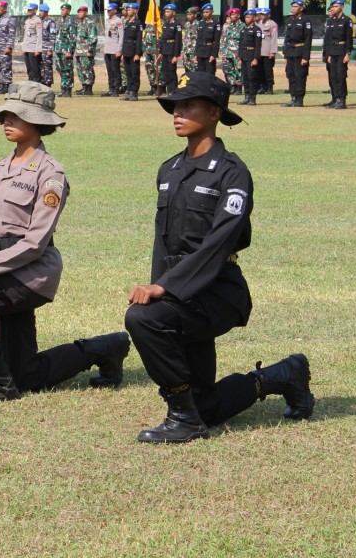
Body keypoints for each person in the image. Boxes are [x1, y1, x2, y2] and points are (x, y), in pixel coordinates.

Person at [124, 72, 315, 443]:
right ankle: (281, 376)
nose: (177, 113)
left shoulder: (231, 172)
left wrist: (163, 289)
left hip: (217, 292)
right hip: (181, 295)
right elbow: (163, 243)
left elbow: (220, 242)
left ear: (214, 113)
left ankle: (183, 419)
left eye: (189, 105)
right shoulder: (169, 169)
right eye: (175, 106)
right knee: (207, 408)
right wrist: (160, 284)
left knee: (142, 319)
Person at [0, 82, 130, 404]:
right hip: (3, 272)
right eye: (6, 115)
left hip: (30, 274)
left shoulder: (51, 174)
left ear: (39, 122)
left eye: (17, 115)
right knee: (25, 376)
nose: (7, 121)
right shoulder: (2, 166)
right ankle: (105, 348)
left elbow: (35, 242)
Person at [321, 0, 353, 109]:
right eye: (333, 7)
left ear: (342, 7)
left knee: (341, 75)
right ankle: (335, 98)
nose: (334, 8)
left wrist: (348, 53)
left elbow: (349, 39)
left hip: (342, 51)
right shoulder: (331, 21)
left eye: (336, 6)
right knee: (333, 76)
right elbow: (328, 39)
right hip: (332, 51)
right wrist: (328, 54)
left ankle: (341, 100)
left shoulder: (347, 20)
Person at [280, 0, 313, 108]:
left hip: (300, 51)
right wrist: (285, 53)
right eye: (292, 6)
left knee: (300, 75)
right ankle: (293, 97)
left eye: (295, 7)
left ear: (301, 8)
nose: (293, 8)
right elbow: (287, 38)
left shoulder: (305, 21)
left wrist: (306, 57)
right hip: (290, 52)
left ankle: (299, 99)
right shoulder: (290, 20)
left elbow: (308, 40)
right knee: (290, 74)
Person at [0, 1, 17, 94]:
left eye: (0, 8)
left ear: (5, 8)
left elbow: (11, 35)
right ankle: (1, 85)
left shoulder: (10, 19)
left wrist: (9, 46)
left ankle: (7, 86)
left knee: (6, 67)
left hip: (4, 47)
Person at [237, 9, 261, 105]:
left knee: (252, 78)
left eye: (249, 17)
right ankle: (246, 97)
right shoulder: (243, 30)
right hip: (244, 56)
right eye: (246, 17)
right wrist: (239, 57)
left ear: (254, 18)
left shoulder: (256, 30)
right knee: (245, 78)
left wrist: (255, 58)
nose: (246, 19)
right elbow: (240, 44)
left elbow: (258, 46)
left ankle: (252, 98)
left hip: (251, 55)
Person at [55, 3, 79, 98]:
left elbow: (73, 38)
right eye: (61, 10)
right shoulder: (60, 20)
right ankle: (63, 88)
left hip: (66, 50)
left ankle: (68, 89)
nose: (62, 11)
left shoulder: (71, 21)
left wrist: (69, 50)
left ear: (68, 11)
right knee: (60, 68)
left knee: (67, 69)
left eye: (63, 10)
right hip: (59, 49)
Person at [158, 3, 182, 95]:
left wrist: (176, 55)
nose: (166, 13)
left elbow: (178, 41)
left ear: (173, 13)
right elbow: (163, 39)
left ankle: (174, 90)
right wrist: (161, 52)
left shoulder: (177, 25)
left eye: (168, 11)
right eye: (165, 12)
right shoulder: (165, 24)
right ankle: (169, 90)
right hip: (165, 51)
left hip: (172, 51)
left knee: (172, 72)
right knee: (165, 72)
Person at [99, 3, 122, 97]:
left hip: (115, 49)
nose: (108, 12)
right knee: (109, 71)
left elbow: (121, 36)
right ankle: (111, 89)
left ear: (115, 11)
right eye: (107, 10)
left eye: (110, 10)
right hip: (108, 49)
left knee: (115, 70)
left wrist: (119, 49)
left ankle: (116, 89)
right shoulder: (107, 20)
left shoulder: (118, 21)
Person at [120, 3, 142, 101]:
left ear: (135, 11)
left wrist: (137, 53)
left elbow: (139, 40)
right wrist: (123, 53)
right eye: (127, 9)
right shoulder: (127, 22)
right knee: (128, 73)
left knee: (134, 73)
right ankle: (129, 91)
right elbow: (124, 39)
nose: (128, 11)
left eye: (130, 9)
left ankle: (134, 92)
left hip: (133, 51)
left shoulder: (138, 23)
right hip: (126, 51)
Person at [221, 8, 244, 95]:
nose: (232, 16)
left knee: (239, 70)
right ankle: (232, 86)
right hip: (229, 52)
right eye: (231, 15)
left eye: (234, 14)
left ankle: (239, 87)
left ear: (238, 15)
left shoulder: (242, 26)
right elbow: (225, 40)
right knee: (230, 70)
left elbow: (244, 41)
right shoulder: (229, 27)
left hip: (238, 53)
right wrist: (223, 52)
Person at [193, 3, 221, 75]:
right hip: (200, 52)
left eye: (207, 12)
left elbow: (216, 41)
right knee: (200, 74)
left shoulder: (216, 24)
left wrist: (213, 55)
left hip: (209, 52)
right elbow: (198, 40)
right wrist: (196, 54)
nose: (205, 14)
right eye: (204, 12)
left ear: (212, 12)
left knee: (210, 74)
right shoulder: (201, 23)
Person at [18, 3, 43, 83]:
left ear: (35, 10)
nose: (28, 11)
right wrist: (23, 48)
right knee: (29, 68)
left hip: (33, 48)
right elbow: (26, 36)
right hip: (27, 48)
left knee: (35, 69)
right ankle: (30, 83)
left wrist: (38, 49)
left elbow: (39, 35)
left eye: (30, 9)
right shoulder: (27, 21)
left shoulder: (37, 21)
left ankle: (36, 84)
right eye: (28, 9)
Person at [257, 8, 278, 95]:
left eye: (264, 14)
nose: (262, 15)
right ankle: (263, 87)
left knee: (268, 71)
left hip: (267, 51)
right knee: (260, 70)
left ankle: (270, 87)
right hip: (260, 51)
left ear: (268, 15)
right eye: (261, 14)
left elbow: (274, 39)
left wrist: (273, 51)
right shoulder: (259, 24)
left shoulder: (272, 24)